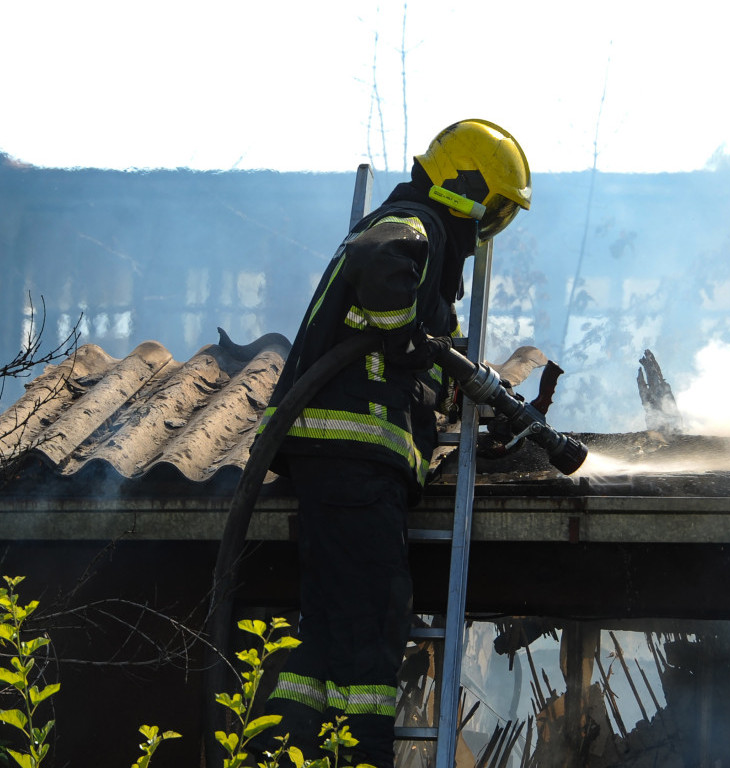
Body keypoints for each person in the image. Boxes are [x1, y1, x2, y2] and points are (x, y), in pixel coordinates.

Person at [257, 119, 531, 767]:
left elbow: (415, 358)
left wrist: (454, 381)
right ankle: (363, 756)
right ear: (463, 187)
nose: (490, 222)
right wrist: (409, 337)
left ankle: (288, 752)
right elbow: (379, 258)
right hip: (354, 464)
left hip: (338, 464)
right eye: (492, 203)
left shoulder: (431, 270)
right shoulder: (418, 222)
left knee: (324, 633)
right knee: (378, 619)